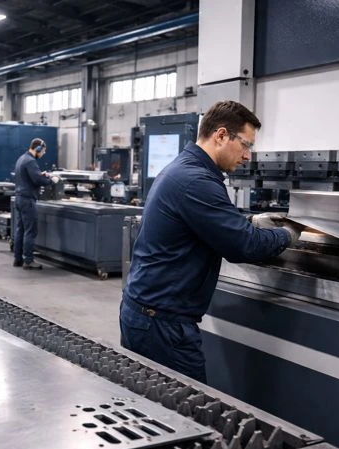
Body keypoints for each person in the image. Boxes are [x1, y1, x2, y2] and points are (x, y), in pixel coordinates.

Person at [120, 100, 302, 383]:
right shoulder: (197, 180)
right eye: (245, 145)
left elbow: (205, 221)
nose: (247, 156)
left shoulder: (184, 169)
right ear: (220, 135)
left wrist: (253, 222)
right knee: (186, 415)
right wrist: (288, 235)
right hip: (162, 326)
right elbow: (244, 246)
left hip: (148, 315)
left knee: (153, 409)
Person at [12, 138, 60, 270]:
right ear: (38, 149)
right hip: (28, 201)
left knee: (20, 229)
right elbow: (38, 180)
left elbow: (32, 176)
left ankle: (17, 259)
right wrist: (50, 179)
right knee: (30, 231)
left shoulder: (21, 159)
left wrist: (40, 174)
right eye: (43, 151)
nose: (43, 154)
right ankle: (28, 261)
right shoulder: (31, 161)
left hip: (19, 198)